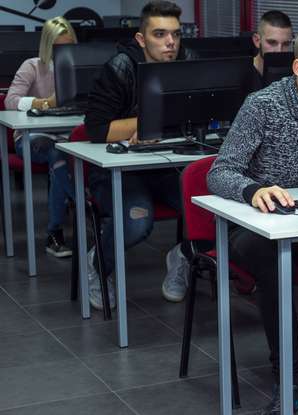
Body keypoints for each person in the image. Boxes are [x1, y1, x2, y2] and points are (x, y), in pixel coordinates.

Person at [207, 22, 298, 414]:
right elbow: (219, 171)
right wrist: (254, 190)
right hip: (257, 228)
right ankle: (286, 373)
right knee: (276, 264)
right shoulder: (263, 106)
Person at [84, 0, 195, 310]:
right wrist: (148, 122)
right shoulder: (120, 67)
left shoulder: (188, 63)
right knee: (137, 222)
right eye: (160, 34)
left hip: (165, 165)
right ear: (141, 39)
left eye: (175, 34)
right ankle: (98, 264)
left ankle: (182, 256)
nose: (171, 42)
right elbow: (95, 129)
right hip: (117, 170)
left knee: (216, 212)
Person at [4, 16, 77, 258]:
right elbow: (10, 100)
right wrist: (45, 102)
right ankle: (78, 215)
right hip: (32, 138)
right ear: (47, 45)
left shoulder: (81, 66)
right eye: (58, 47)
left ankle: (61, 229)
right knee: (59, 155)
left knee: (62, 156)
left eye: (69, 46)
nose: (64, 52)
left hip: (68, 135)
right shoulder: (33, 66)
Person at [251, 10, 293, 77]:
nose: (279, 51)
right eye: (272, 42)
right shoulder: (242, 73)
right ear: (257, 40)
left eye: (286, 44)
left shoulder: (294, 73)